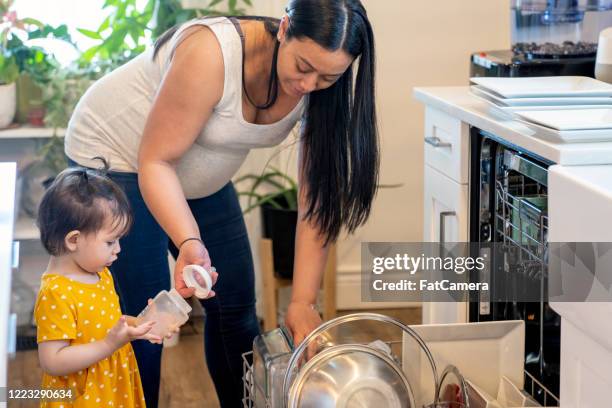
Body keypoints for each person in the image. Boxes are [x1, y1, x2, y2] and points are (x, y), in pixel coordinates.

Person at [63, 0, 378, 406]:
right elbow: (156, 162)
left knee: (235, 307)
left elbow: (315, 202)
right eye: (302, 67)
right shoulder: (211, 54)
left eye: (328, 77)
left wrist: (302, 302)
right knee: (146, 324)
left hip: (197, 177)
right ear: (284, 29)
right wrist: (190, 242)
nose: (309, 85)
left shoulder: (321, 91)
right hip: (117, 156)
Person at [34, 163, 178, 407]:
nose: (119, 250)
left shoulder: (100, 273)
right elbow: (53, 361)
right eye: (110, 242)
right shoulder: (55, 293)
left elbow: (105, 323)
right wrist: (108, 345)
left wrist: (139, 325)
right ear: (74, 240)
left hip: (112, 388)